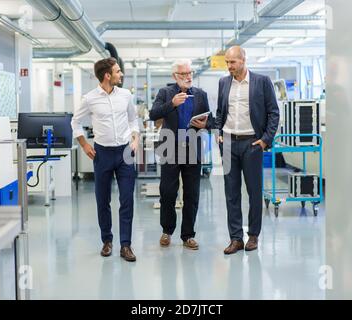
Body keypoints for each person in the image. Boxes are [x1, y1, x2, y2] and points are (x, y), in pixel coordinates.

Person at [71, 57, 139, 262]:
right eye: (118, 71)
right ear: (107, 75)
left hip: (125, 152)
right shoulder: (90, 98)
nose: (121, 74)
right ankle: (107, 241)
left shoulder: (126, 95)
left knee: (127, 199)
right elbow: (75, 122)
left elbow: (133, 119)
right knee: (103, 200)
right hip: (102, 154)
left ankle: (125, 245)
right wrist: (84, 144)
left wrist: (135, 138)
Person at [215, 46, 280, 254]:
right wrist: (218, 131)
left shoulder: (261, 82)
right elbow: (220, 111)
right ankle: (236, 238)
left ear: (243, 60)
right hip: (228, 143)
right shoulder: (224, 82)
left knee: (254, 192)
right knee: (231, 193)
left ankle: (253, 235)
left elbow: (273, 113)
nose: (229, 66)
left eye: (232, 62)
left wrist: (265, 140)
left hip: (252, 143)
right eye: (227, 62)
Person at [149, 59, 213, 250]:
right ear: (175, 76)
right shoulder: (165, 93)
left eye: (190, 73)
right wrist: (172, 104)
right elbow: (153, 114)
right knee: (168, 191)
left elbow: (210, 120)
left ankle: (188, 235)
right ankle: (167, 231)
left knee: (192, 193)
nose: (188, 77)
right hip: (171, 146)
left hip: (193, 147)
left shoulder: (200, 95)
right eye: (183, 74)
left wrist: (206, 125)